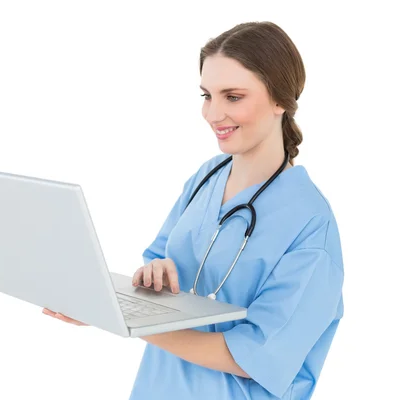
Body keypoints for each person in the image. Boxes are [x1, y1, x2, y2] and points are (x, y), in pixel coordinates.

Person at [42, 21, 344, 400]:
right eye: (207, 95)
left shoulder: (311, 224)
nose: (213, 114)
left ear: (280, 99)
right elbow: (159, 261)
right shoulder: (207, 177)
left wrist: (120, 319)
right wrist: (152, 279)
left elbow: (255, 354)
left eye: (233, 97)